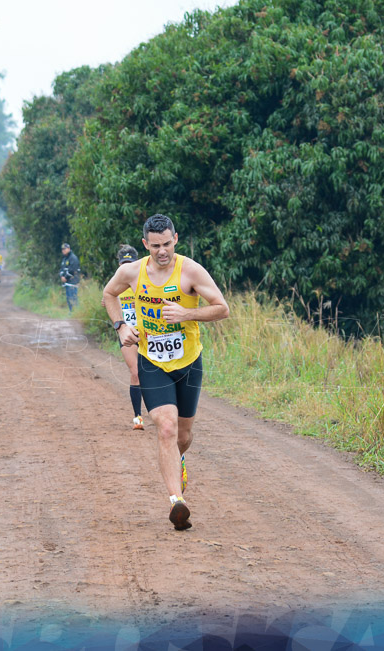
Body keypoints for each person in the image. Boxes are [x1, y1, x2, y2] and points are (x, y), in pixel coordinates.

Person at [102, 214, 229, 530]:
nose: (162, 251)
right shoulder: (131, 271)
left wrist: (188, 313)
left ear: (176, 240)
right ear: (145, 244)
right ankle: (177, 502)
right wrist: (121, 327)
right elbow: (109, 294)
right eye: (156, 245)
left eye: (167, 244)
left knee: (183, 436)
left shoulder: (190, 271)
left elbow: (222, 308)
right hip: (151, 361)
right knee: (167, 428)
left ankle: (179, 461)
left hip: (187, 363)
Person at [114, 245, 145, 431]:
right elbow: (109, 303)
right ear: (119, 265)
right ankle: (138, 417)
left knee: (152, 375)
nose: (126, 268)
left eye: (130, 264)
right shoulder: (114, 285)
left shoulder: (144, 282)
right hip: (127, 335)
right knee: (135, 373)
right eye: (123, 264)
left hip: (148, 334)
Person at [59, 243, 80, 313]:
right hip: (67, 283)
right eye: (62, 249)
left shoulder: (73, 258)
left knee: (73, 298)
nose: (63, 251)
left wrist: (65, 277)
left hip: (73, 282)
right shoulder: (65, 258)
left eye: (65, 249)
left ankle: (76, 312)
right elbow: (62, 269)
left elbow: (72, 270)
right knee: (68, 298)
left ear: (69, 249)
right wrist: (62, 276)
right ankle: (71, 312)